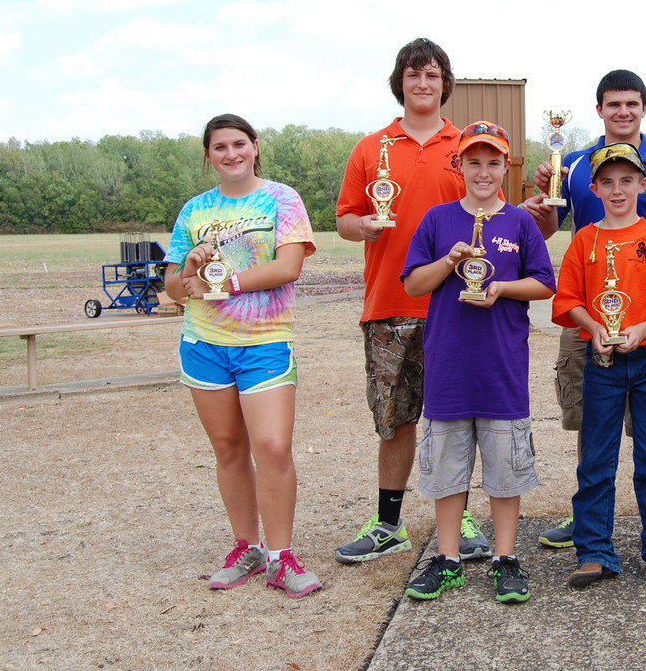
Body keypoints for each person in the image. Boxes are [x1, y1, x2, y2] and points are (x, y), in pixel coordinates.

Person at [522, 69, 646, 549]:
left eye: (632, 103)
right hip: (589, 315)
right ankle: (587, 520)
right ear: (599, 109)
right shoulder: (575, 164)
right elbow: (544, 229)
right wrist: (538, 196)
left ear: (645, 108)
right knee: (588, 419)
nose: (623, 111)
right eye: (613, 104)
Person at [333, 38, 492, 565]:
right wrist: (364, 226)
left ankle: (460, 516)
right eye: (412, 74)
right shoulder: (370, 148)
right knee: (396, 419)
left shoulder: (465, 146)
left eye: (432, 74)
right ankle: (388, 524)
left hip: (456, 303)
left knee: (455, 419)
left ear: (446, 83)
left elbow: (492, 209)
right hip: (389, 302)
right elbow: (344, 221)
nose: (422, 83)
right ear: (399, 82)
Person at [164, 113, 321, 598]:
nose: (230, 154)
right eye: (219, 148)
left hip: (265, 341)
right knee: (229, 449)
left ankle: (281, 557)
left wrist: (224, 282)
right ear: (208, 156)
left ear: (254, 147)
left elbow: (289, 266)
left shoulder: (281, 198)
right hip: (204, 345)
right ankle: (245, 547)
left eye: (238, 144)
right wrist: (191, 269)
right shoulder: (194, 209)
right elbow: (173, 289)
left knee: (272, 446)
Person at [399, 121, 556, 603]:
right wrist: (449, 261)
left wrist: (503, 289)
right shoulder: (437, 219)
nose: (483, 172)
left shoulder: (520, 222)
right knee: (447, 469)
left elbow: (545, 284)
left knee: (505, 468)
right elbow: (413, 285)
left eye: (493, 162)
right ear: (459, 164)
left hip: (501, 368)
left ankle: (505, 558)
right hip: (448, 366)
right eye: (474, 161)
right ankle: (447, 559)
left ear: (506, 166)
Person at [551, 143, 646, 593]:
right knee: (596, 457)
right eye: (607, 182)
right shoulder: (584, 239)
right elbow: (567, 299)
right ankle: (595, 550)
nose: (617, 190)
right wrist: (594, 326)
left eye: (626, 180)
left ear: (642, 184)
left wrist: (643, 329)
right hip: (602, 360)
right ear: (593, 188)